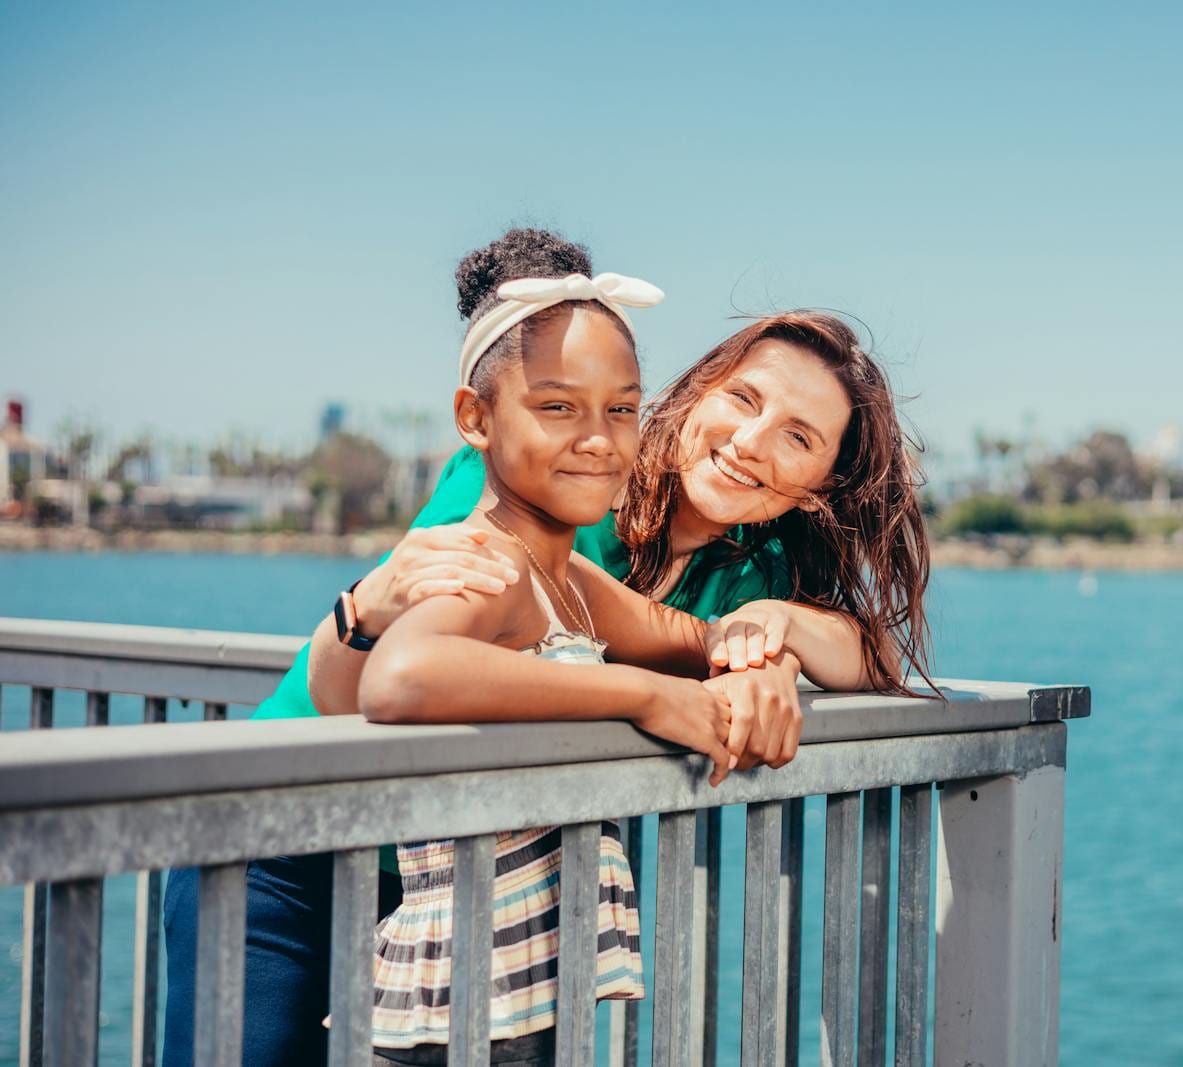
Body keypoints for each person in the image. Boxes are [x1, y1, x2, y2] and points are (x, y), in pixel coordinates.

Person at [162, 227, 932, 1063]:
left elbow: (862, 655)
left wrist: (775, 635)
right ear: (698, 390)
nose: (752, 442)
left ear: (821, 481)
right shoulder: (539, 485)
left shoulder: (750, 567)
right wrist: (658, 691)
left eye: (798, 436)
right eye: (744, 401)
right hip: (296, 840)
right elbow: (391, 674)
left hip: (450, 890)